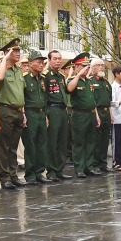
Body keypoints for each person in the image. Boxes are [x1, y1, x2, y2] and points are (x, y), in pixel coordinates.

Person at [0, 39, 27, 189]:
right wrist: (4, 59)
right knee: (4, 146)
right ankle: (4, 177)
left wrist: (24, 112)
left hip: (18, 111)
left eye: (19, 51)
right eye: (15, 51)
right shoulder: (2, 68)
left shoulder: (18, 70)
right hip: (5, 110)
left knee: (13, 145)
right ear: (7, 53)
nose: (18, 53)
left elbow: (21, 93)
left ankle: (13, 175)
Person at [66, 53, 101, 178]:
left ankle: (89, 166)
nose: (86, 69)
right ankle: (79, 168)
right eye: (83, 66)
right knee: (79, 142)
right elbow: (69, 89)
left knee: (90, 141)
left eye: (87, 66)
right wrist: (78, 76)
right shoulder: (72, 79)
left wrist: (96, 115)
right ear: (76, 67)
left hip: (90, 114)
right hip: (79, 114)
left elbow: (93, 101)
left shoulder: (89, 81)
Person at [21, 50, 49, 184]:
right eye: (38, 62)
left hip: (41, 113)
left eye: (42, 62)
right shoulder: (25, 78)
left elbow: (45, 98)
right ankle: (30, 174)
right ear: (30, 63)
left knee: (42, 143)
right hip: (30, 113)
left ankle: (39, 172)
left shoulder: (43, 79)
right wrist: (23, 114)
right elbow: (22, 98)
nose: (41, 65)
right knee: (30, 144)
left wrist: (46, 115)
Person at [43, 50, 71, 182]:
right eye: (55, 58)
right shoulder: (46, 75)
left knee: (62, 141)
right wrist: (46, 114)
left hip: (62, 109)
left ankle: (60, 169)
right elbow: (44, 95)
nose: (58, 61)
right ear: (49, 60)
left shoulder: (60, 76)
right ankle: (51, 171)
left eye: (59, 59)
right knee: (52, 141)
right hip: (52, 108)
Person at [89, 59, 113, 173]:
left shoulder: (106, 82)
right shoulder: (91, 81)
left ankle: (103, 163)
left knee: (104, 139)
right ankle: (95, 164)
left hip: (106, 112)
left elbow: (109, 100)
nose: (101, 67)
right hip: (97, 112)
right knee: (96, 140)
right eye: (98, 65)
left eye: (102, 65)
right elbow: (92, 100)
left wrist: (111, 114)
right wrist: (96, 115)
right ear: (93, 68)